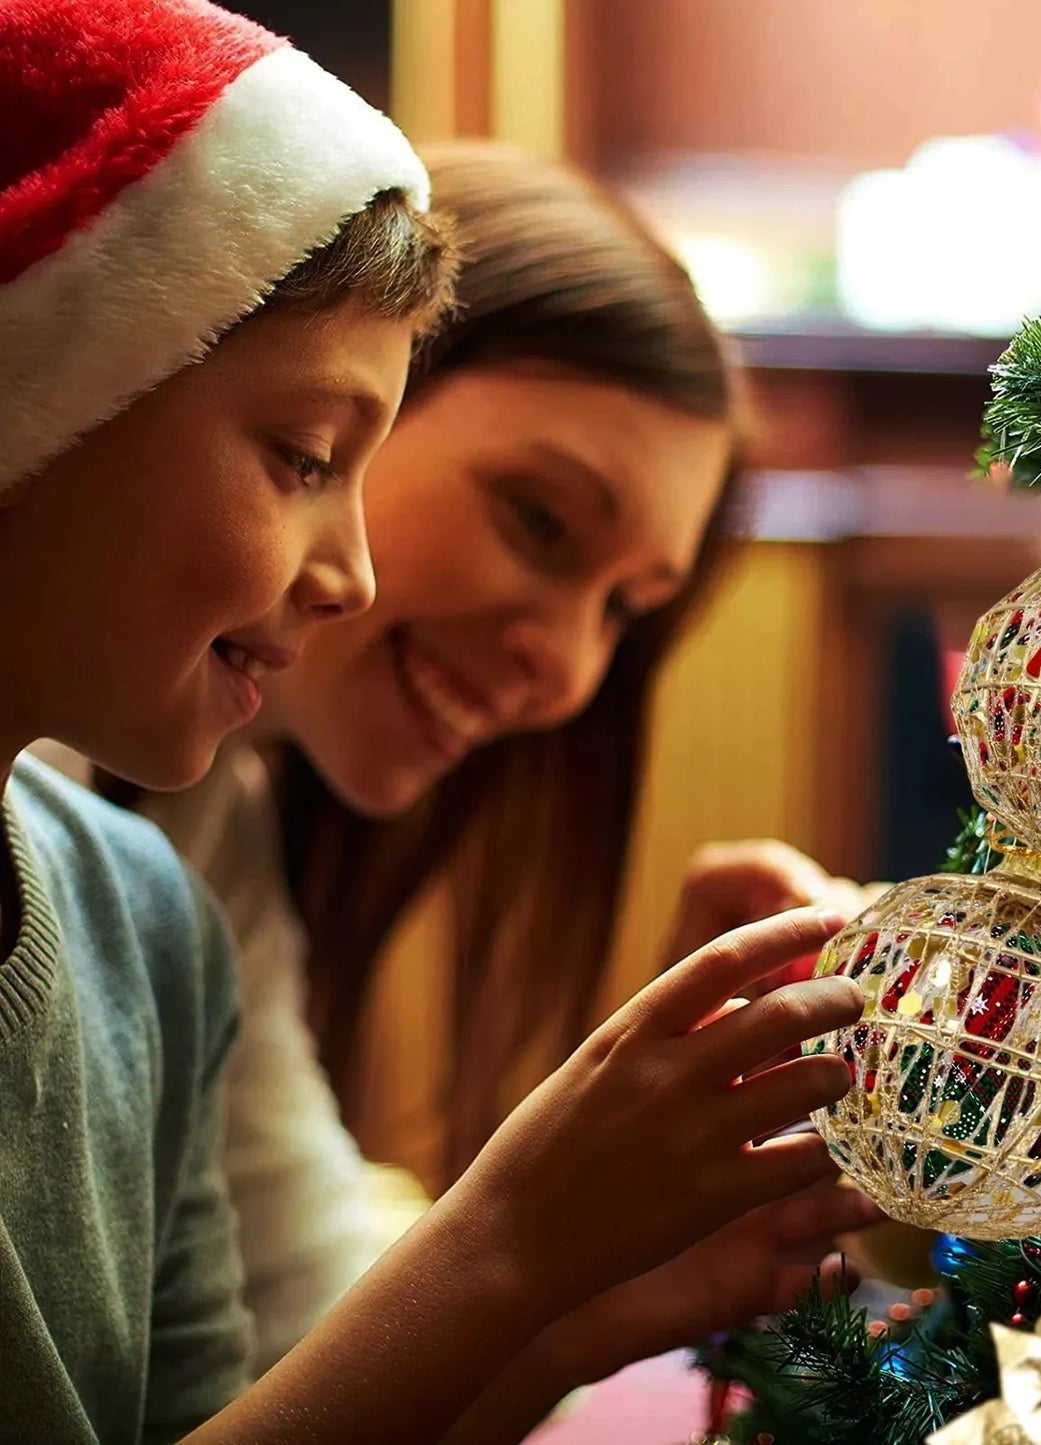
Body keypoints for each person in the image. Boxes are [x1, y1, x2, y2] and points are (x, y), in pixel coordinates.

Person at [3, 4, 864, 1441]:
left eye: (626, 612)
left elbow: (279, 1366)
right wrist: (533, 1233)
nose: (568, 674)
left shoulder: (149, 896)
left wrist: (607, 1204)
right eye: (302, 455)